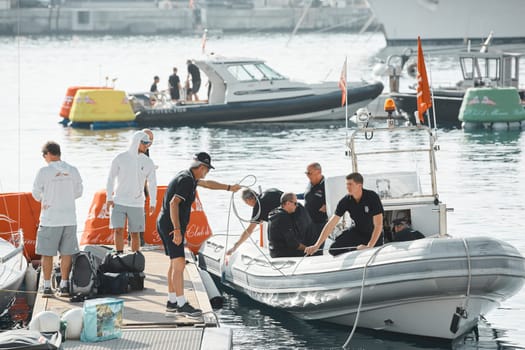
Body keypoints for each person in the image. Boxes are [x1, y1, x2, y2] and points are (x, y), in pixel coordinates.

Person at [157, 152, 240, 316]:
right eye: (207, 169)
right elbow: (174, 203)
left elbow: (207, 184)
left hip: (165, 222)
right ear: (202, 167)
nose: (207, 172)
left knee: (175, 263)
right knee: (179, 265)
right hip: (171, 226)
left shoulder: (188, 176)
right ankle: (181, 304)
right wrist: (177, 230)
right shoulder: (187, 180)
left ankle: (172, 301)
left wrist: (229, 188)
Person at [32, 141, 83, 297]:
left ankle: (47, 287)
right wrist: (65, 198)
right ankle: (64, 285)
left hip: (50, 219)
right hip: (69, 218)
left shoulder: (44, 171)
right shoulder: (73, 170)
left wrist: (47, 199)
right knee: (66, 253)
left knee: (47, 254)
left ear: (48, 154)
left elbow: (35, 194)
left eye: (43, 155)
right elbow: (79, 192)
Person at [305, 172, 384, 257]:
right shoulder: (346, 200)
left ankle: (359, 251)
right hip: (357, 232)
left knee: (369, 250)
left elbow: (378, 225)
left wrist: (369, 246)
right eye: (347, 184)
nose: (347, 187)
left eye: (350, 184)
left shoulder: (372, 197)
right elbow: (331, 223)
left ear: (359, 186)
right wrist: (317, 245)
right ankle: (356, 250)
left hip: (373, 234)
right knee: (333, 249)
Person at [106, 131, 157, 254]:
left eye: (148, 143)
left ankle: (135, 258)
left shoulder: (148, 162)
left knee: (135, 233)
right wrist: (109, 197)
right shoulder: (120, 158)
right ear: (137, 142)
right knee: (118, 230)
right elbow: (110, 178)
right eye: (145, 143)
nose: (147, 146)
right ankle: (119, 256)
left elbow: (152, 182)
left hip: (137, 203)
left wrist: (153, 201)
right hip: (119, 201)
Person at [226, 188, 283, 255]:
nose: (248, 205)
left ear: (249, 199)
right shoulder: (270, 191)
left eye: (246, 203)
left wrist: (235, 246)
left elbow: (250, 230)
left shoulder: (257, 208)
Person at [268, 193, 312, 258]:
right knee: (313, 253)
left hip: (274, 251)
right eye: (295, 203)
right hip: (282, 252)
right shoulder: (283, 217)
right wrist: (308, 248)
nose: (296, 206)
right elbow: (292, 243)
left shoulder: (275, 213)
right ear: (288, 203)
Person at [300, 162, 327, 237]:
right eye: (306, 173)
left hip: (319, 223)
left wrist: (327, 206)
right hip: (307, 221)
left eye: (309, 173)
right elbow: (307, 195)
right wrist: (294, 196)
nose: (307, 175)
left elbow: (336, 199)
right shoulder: (311, 182)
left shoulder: (327, 184)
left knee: (317, 246)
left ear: (318, 172)